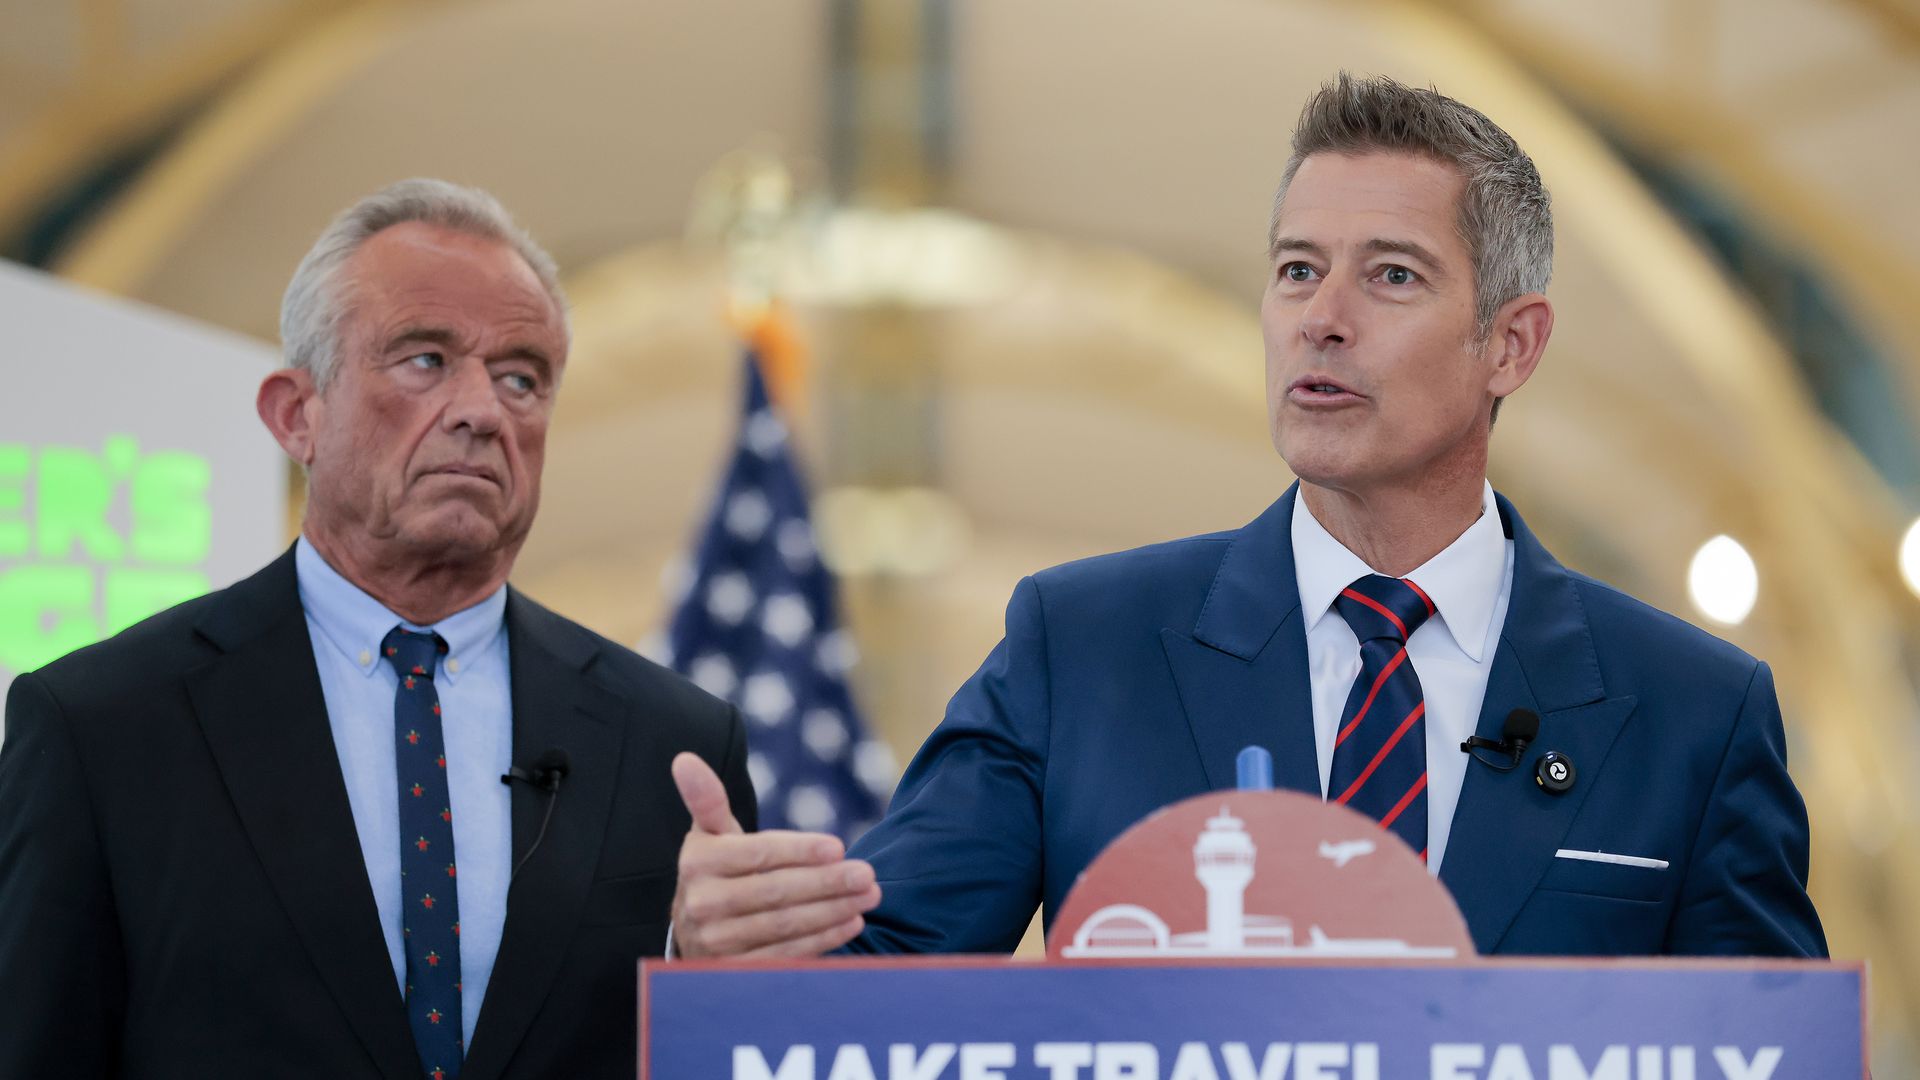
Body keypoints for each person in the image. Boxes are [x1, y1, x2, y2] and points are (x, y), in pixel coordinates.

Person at [667, 73, 1827, 961]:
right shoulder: (1080, 650)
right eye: (1294, 270)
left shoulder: (1695, 717)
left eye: (1392, 276)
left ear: (1511, 345)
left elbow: (1773, 1050)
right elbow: (879, 978)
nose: (1321, 319)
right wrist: (726, 948)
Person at [0, 179, 757, 1078]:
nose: (483, 411)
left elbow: (729, 1052)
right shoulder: (103, 726)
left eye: (522, 377)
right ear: (297, 414)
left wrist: (709, 980)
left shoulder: (673, 741)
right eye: (425, 360)